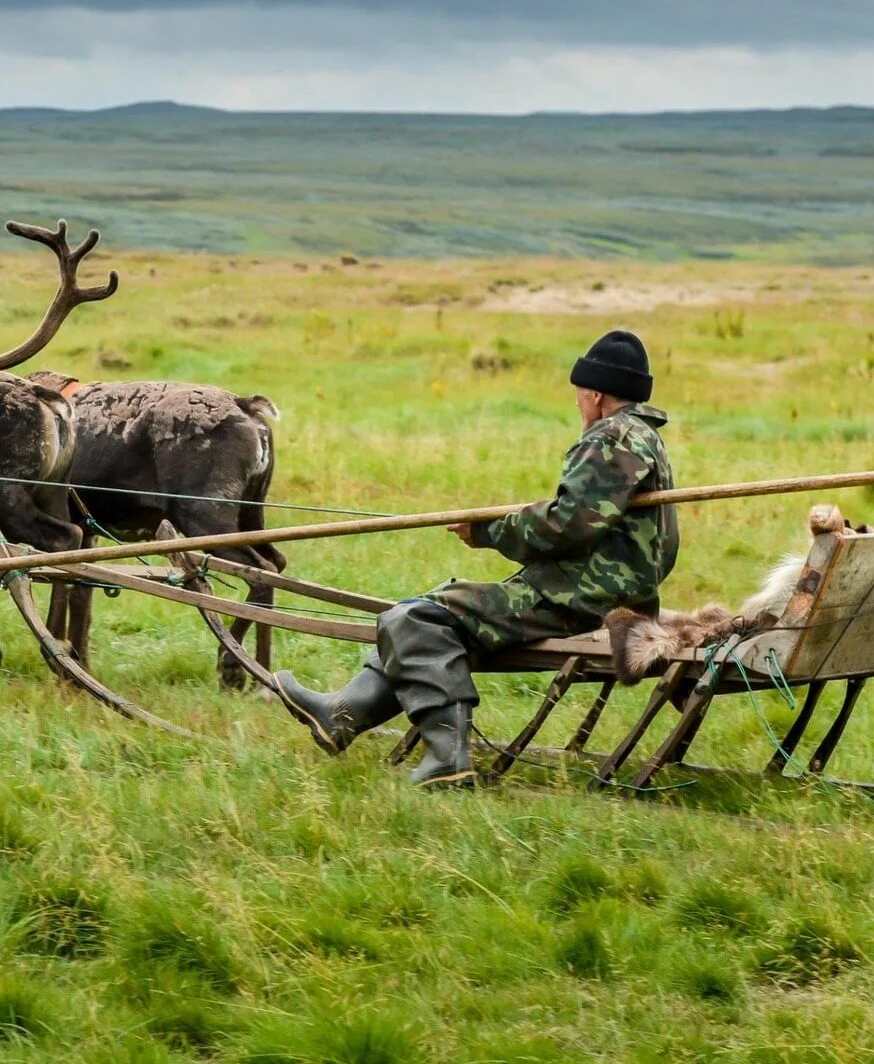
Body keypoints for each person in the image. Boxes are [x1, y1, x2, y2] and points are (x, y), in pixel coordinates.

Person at [274, 330, 680, 788]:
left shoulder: (612, 438)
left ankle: (448, 760)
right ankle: (342, 715)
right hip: (609, 593)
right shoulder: (645, 437)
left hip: (580, 600)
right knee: (428, 613)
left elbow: (568, 524)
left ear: (594, 392)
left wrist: (489, 530)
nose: (578, 404)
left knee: (415, 618)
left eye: (578, 395)